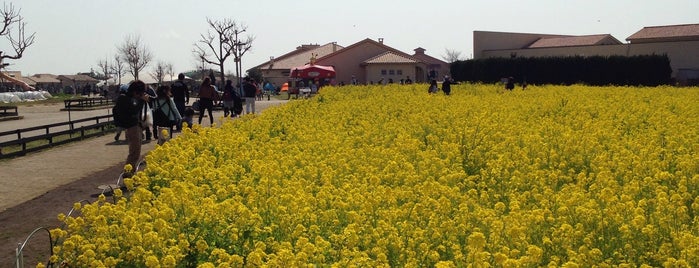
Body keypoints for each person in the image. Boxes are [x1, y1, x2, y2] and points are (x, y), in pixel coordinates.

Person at [113, 80, 147, 175]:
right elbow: (133, 110)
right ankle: (128, 175)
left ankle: (131, 173)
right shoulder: (124, 99)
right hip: (131, 127)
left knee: (135, 152)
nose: (141, 95)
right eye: (141, 93)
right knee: (134, 153)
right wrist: (141, 101)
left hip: (134, 127)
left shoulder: (128, 98)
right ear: (135, 91)